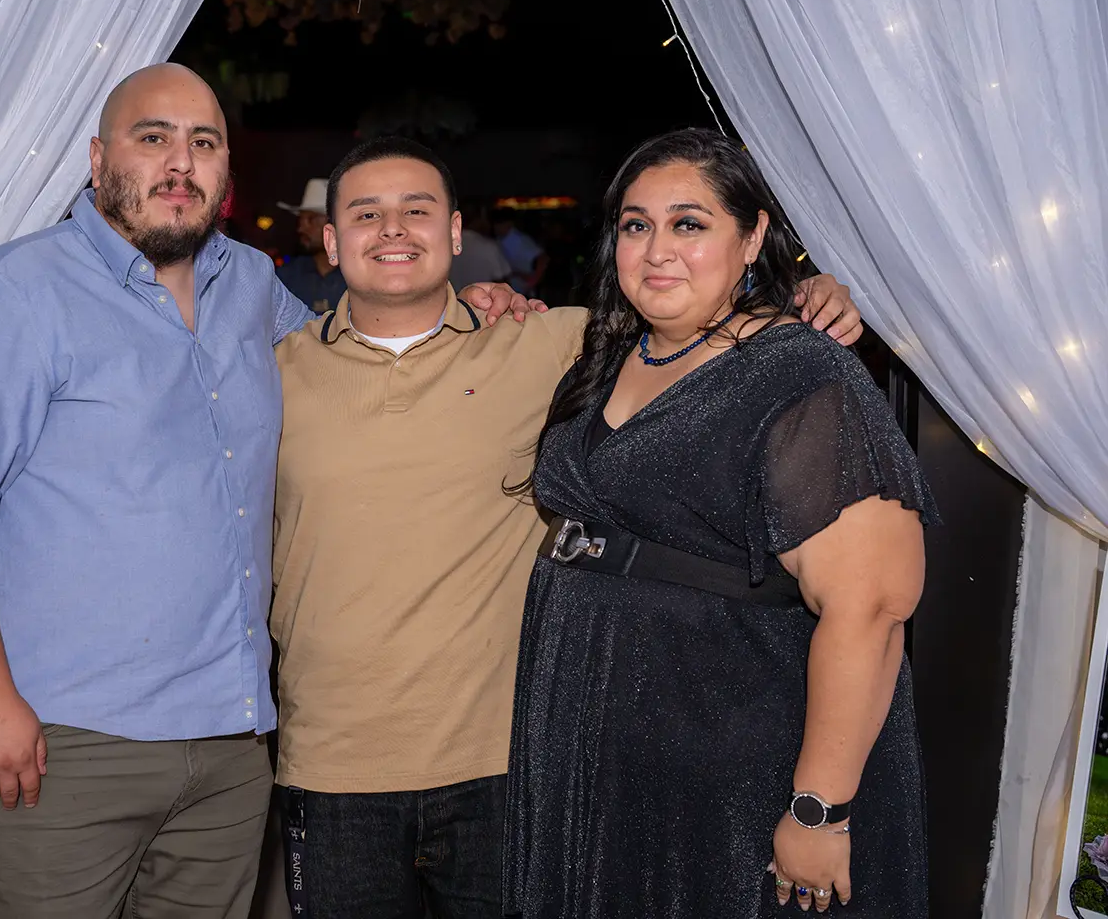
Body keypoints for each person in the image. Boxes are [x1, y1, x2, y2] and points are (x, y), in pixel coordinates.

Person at [0, 65, 530, 919]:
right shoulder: (14, 292)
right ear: (97, 159)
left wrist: (465, 304)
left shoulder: (251, 284)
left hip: (231, 743)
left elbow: (357, 358)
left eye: (203, 142)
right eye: (152, 137)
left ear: (227, 168)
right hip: (61, 739)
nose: (179, 162)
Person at [269, 136, 863, 918]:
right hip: (330, 766)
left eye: (417, 210)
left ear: (456, 233)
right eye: (366, 213)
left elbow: (694, 319)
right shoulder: (268, 374)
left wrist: (807, 295)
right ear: (330, 238)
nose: (393, 230)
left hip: (508, 763)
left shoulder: (552, 343)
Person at [503, 129, 936, 918]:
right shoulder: (612, 351)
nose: (657, 250)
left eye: (689, 224)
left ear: (753, 236)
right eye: (636, 225)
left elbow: (872, 609)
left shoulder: (803, 374)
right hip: (600, 751)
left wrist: (819, 809)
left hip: (733, 757)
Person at [275, 178, 346, 313]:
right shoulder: (287, 276)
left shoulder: (360, 275)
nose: (301, 229)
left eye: (311, 219)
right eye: (300, 220)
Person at [449, 201, 513, 291]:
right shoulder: (488, 247)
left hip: (451, 298)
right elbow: (503, 284)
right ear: (480, 218)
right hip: (483, 299)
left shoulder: (444, 246)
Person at [492, 209, 548, 293]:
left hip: (522, 290)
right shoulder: (498, 240)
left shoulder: (520, 240)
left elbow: (542, 258)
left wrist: (533, 281)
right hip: (508, 289)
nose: (496, 227)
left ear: (509, 223)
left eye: (499, 224)